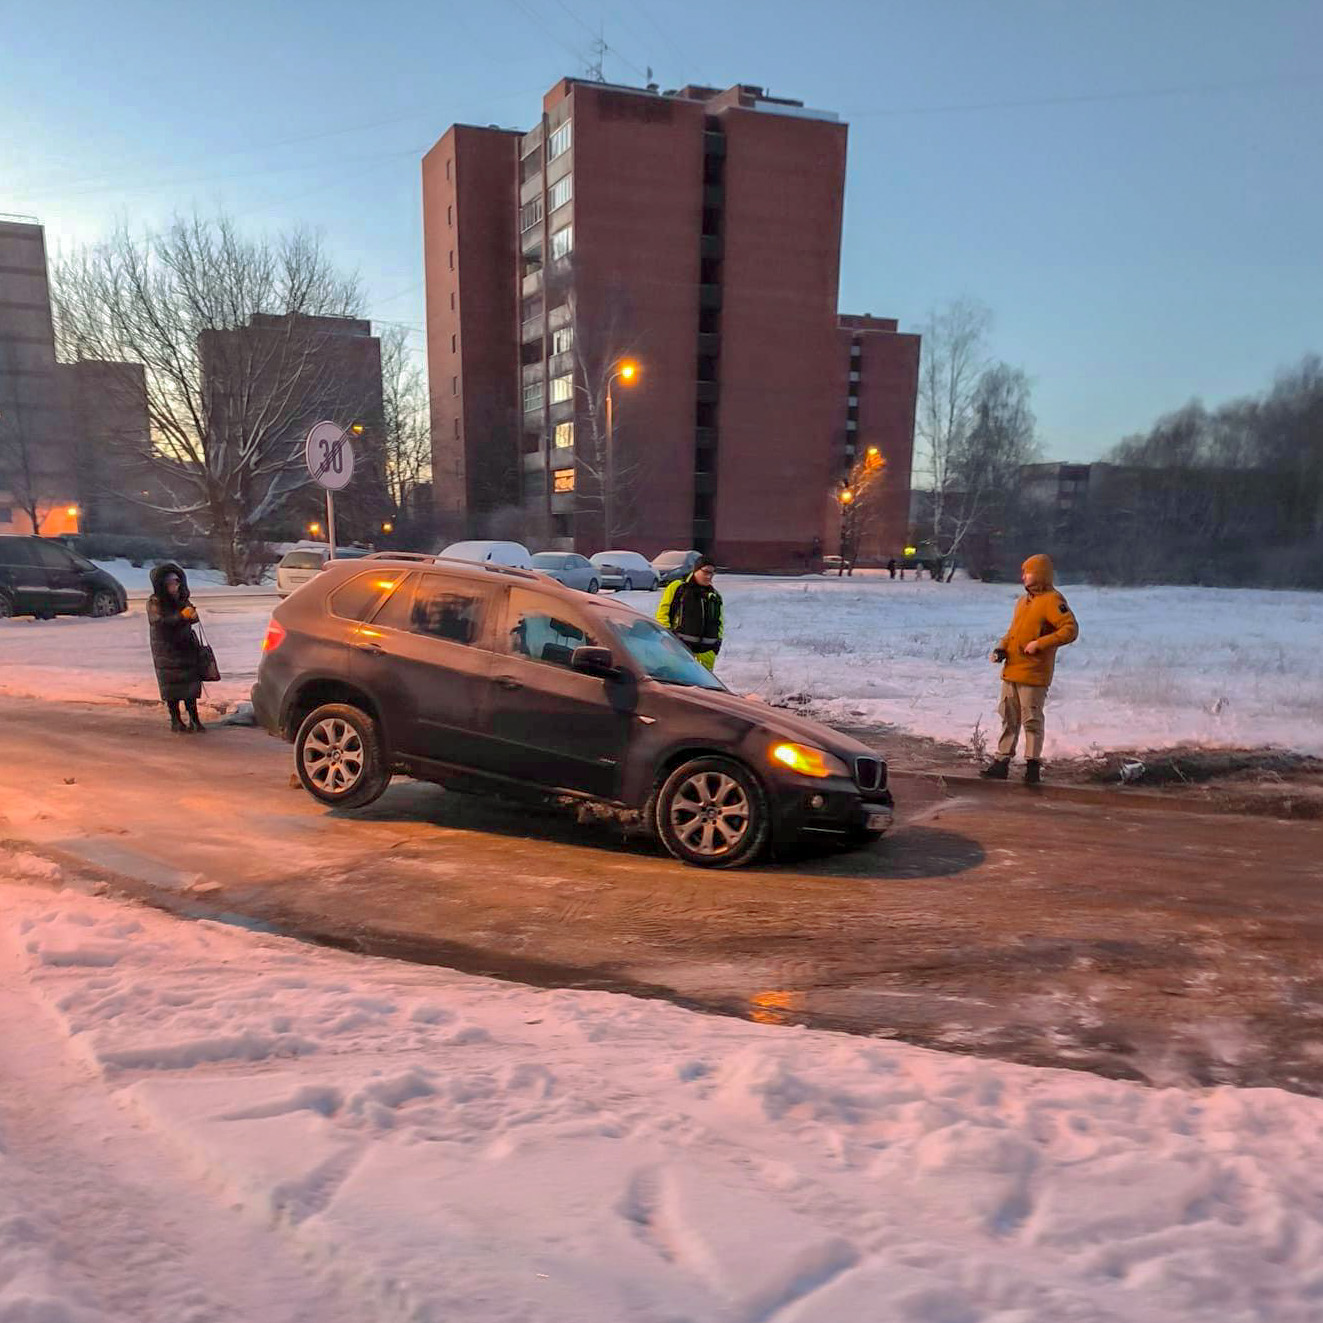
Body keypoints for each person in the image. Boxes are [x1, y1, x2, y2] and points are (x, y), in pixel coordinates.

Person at [980, 553, 1078, 785]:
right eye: (1023, 572)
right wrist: (1002, 647)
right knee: (1007, 716)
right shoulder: (1023, 602)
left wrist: (1039, 644)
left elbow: (1069, 630)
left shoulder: (1053, 600)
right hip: (1012, 669)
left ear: (1041, 573)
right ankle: (1002, 762)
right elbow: (1013, 632)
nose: (1023, 576)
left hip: (1034, 674)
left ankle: (1032, 766)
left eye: (1028, 571)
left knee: (1031, 719)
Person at [148, 562, 207, 733]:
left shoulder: (182, 599)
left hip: (186, 647)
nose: (175, 587)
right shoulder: (155, 602)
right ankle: (176, 719)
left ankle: (194, 718)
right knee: (172, 687)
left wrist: (191, 615)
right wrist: (181, 616)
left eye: (177, 583)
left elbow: (191, 619)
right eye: (171, 584)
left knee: (190, 686)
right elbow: (160, 622)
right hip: (167, 650)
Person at [656, 555, 723, 670]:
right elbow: (663, 613)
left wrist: (716, 645)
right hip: (679, 650)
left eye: (712, 573)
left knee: (702, 687)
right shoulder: (679, 588)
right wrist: (667, 638)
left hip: (706, 654)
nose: (709, 576)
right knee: (677, 683)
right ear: (696, 570)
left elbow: (719, 622)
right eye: (706, 572)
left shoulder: (715, 596)